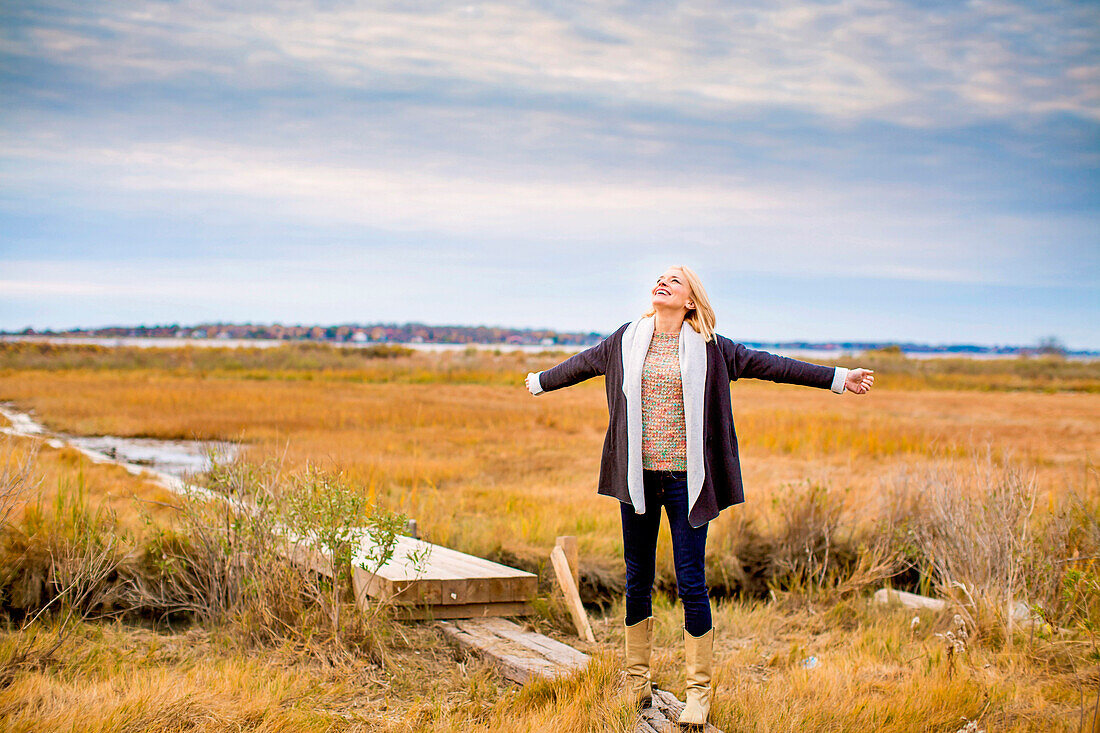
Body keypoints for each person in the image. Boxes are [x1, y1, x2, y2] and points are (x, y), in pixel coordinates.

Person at [524, 265, 874, 727]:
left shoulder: (713, 349)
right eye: (660, 278)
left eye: (675, 281)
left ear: (690, 301)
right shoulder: (626, 339)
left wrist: (837, 377)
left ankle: (698, 692)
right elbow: (582, 364)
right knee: (636, 579)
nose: (663, 283)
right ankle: (636, 680)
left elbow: (775, 365)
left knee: (691, 581)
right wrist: (540, 381)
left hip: (688, 483)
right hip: (638, 481)